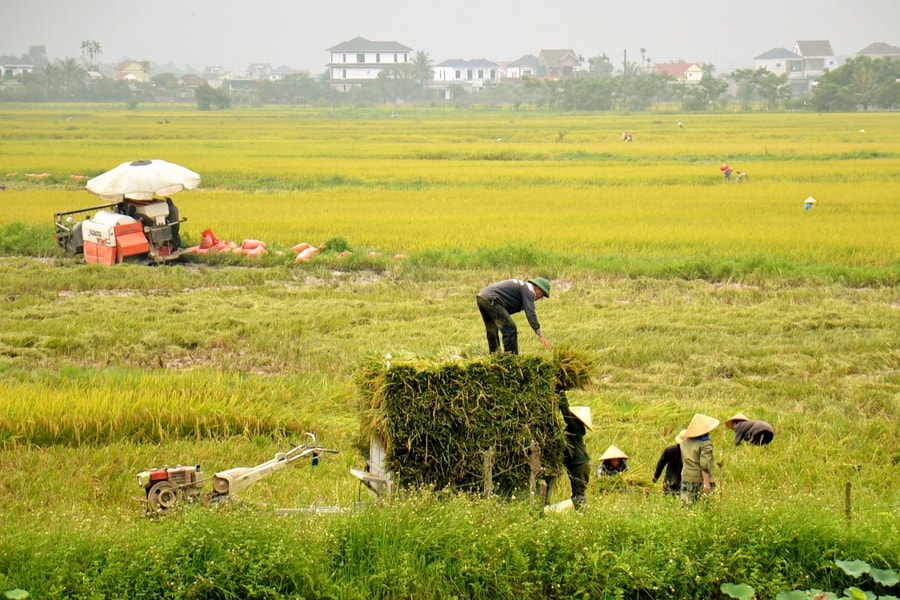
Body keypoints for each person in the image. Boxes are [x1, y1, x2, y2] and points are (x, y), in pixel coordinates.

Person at [476, 277, 552, 354]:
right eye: (542, 295)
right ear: (538, 288)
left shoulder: (523, 287)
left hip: (482, 297)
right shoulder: (529, 290)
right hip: (492, 299)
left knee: (492, 329)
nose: (540, 298)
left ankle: (494, 355)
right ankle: (511, 359)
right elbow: (530, 313)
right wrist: (540, 334)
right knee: (510, 329)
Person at [557, 389, 592, 511]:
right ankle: (581, 512)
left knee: (579, 493)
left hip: (579, 465)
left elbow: (566, 414)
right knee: (577, 493)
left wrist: (562, 396)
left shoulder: (575, 428)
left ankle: (583, 513)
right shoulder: (573, 429)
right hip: (579, 465)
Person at [680, 413, 719, 504]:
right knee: (706, 508)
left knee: (687, 508)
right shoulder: (705, 444)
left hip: (686, 478)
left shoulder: (684, 442)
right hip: (699, 480)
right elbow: (704, 464)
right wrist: (706, 483)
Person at [652, 429, 685, 496]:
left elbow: (661, 464)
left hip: (668, 483)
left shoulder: (670, 449)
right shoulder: (690, 454)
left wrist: (656, 476)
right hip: (683, 485)